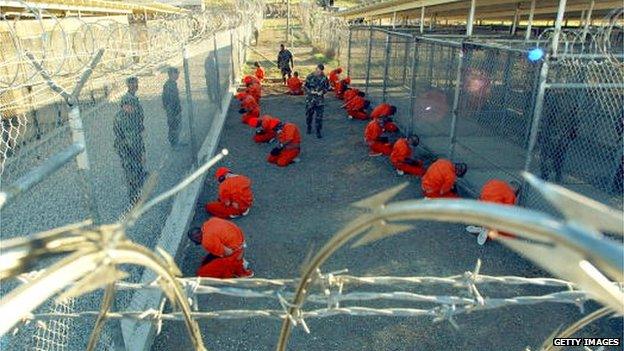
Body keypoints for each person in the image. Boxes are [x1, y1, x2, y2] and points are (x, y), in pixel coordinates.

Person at [114, 76, 148, 204]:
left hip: (135, 147)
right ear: (123, 106)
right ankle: (134, 200)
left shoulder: (131, 115)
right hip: (127, 150)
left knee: (137, 172)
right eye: (128, 106)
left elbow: (137, 136)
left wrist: (142, 152)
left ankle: (138, 195)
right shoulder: (122, 119)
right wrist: (139, 154)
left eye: (132, 106)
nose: (131, 108)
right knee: (132, 174)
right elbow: (130, 139)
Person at [188, 217, 254, 278]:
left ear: (197, 239)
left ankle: (238, 269)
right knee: (211, 258)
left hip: (235, 251)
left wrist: (236, 257)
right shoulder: (210, 222)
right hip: (240, 241)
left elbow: (228, 253)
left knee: (201, 273)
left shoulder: (207, 241)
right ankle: (237, 263)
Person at [466, 180, 520, 245]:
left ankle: (482, 225)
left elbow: (483, 189)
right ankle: (488, 231)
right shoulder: (511, 195)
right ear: (515, 191)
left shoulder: (496, 182)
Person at [304, 64, 331, 138]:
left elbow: (327, 87)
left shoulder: (324, 78)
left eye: (320, 72)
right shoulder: (310, 76)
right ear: (316, 69)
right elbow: (305, 87)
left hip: (319, 101)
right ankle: (309, 126)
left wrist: (323, 92)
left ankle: (318, 131)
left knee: (319, 117)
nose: (319, 73)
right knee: (309, 115)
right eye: (318, 71)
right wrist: (311, 91)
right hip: (310, 100)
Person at [161, 67, 182, 147]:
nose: (178, 75)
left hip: (174, 110)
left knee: (176, 127)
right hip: (172, 111)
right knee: (173, 127)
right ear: (171, 75)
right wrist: (175, 112)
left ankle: (176, 142)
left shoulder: (172, 84)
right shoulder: (169, 85)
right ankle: (174, 144)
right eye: (176, 73)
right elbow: (170, 100)